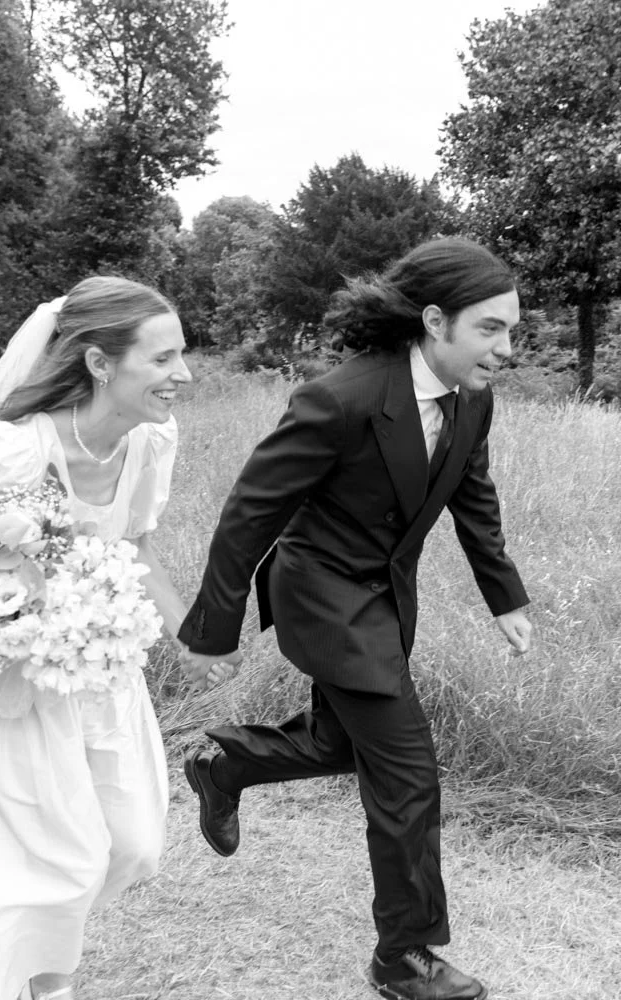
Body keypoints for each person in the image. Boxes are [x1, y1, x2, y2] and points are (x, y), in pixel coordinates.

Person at [175, 237, 534, 1000]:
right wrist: (213, 627)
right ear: (435, 321)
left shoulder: (473, 399)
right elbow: (252, 509)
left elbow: (473, 496)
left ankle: (228, 763)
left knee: (343, 742)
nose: (506, 348)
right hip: (325, 598)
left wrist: (503, 596)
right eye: (491, 329)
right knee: (408, 773)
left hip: (384, 601)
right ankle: (403, 956)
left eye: (510, 329)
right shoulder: (340, 398)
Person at [0, 277, 233, 1000]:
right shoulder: (6, 452)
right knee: (63, 857)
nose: (183, 374)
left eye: (181, 355)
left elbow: (138, 547)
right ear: (102, 363)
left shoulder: (149, 442)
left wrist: (195, 638)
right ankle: (44, 984)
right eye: (162, 359)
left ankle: (18, 946)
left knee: (130, 843)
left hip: (93, 678)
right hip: (1, 686)